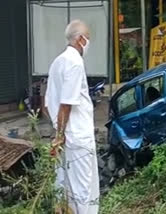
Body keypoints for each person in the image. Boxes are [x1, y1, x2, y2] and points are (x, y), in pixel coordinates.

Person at [45, 20, 99, 214]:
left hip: (67, 137)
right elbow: (66, 103)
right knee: (83, 189)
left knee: (64, 187)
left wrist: (58, 134)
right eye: (88, 39)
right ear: (80, 39)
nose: (88, 43)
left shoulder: (57, 62)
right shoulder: (74, 62)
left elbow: (48, 103)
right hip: (77, 137)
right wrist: (60, 134)